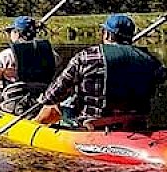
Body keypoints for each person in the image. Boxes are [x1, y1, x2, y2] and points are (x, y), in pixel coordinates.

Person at [35, 14, 167, 128]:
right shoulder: (149, 60)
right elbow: (161, 77)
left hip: (94, 123)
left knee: (52, 106)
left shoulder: (87, 56)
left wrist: (44, 99)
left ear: (107, 34)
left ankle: (34, 130)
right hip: (135, 121)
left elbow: (56, 92)